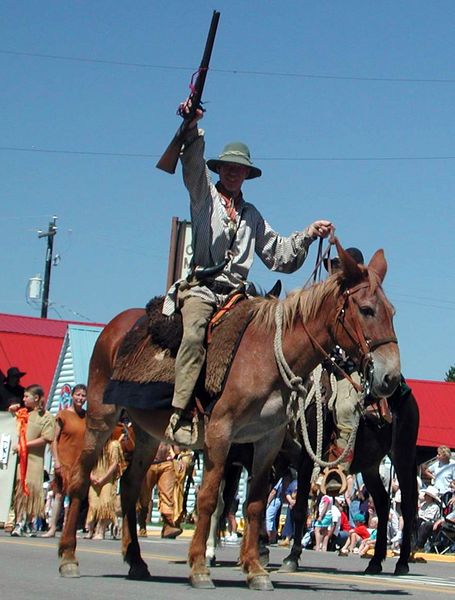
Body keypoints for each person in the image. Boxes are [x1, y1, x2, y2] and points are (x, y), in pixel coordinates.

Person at [163, 98, 333, 445]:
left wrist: (307, 234)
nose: (233, 172)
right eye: (228, 167)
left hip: (239, 295)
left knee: (271, 339)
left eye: (239, 169)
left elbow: (279, 255)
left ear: (247, 175)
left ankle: (261, 415)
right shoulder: (204, 197)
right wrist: (192, 127)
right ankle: (179, 414)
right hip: (203, 288)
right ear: (220, 169)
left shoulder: (252, 215)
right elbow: (192, 165)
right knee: (194, 332)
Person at [43, 384, 87, 537]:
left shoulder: (87, 417)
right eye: (78, 395)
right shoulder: (63, 415)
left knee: (76, 496)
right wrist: (56, 461)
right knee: (59, 495)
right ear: (72, 396)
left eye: (83, 396)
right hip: (64, 461)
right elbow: (54, 439)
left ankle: (69, 528)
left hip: (79, 462)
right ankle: (52, 527)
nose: (80, 398)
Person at [10, 385, 55, 537]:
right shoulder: (23, 413)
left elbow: (47, 438)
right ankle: (18, 520)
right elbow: (10, 425)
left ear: (36, 398)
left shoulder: (46, 416)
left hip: (34, 460)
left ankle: (28, 521)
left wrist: (25, 445)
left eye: (26, 397)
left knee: (31, 490)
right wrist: (12, 410)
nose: (23, 399)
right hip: (19, 460)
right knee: (19, 489)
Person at [137, 442, 183, 539]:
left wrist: (179, 457)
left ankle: (168, 526)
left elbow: (175, 439)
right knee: (145, 496)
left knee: (167, 496)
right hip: (149, 462)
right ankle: (142, 526)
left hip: (167, 462)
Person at [85, 432, 126, 540]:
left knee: (105, 503)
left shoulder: (114, 445)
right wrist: (91, 475)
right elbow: (88, 461)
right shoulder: (93, 447)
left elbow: (114, 464)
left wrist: (104, 478)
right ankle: (90, 530)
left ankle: (101, 529)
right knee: (93, 504)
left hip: (107, 478)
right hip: (95, 476)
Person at [414, 485, 441, 552]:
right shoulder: (423, 504)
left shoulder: (435, 506)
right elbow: (419, 514)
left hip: (430, 524)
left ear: (430, 497)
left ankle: (419, 546)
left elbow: (429, 518)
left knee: (425, 524)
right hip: (420, 521)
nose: (424, 496)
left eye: (426, 495)